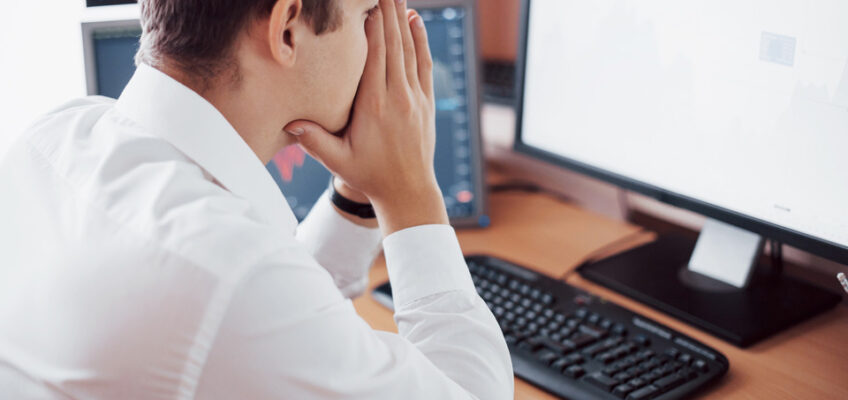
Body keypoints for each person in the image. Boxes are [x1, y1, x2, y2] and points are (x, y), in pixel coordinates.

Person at [0, 0, 512, 398]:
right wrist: (411, 195)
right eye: (367, 16)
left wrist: (359, 196)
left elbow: (270, 327)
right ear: (288, 28)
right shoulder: (232, 279)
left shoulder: (60, 132)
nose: (381, 41)